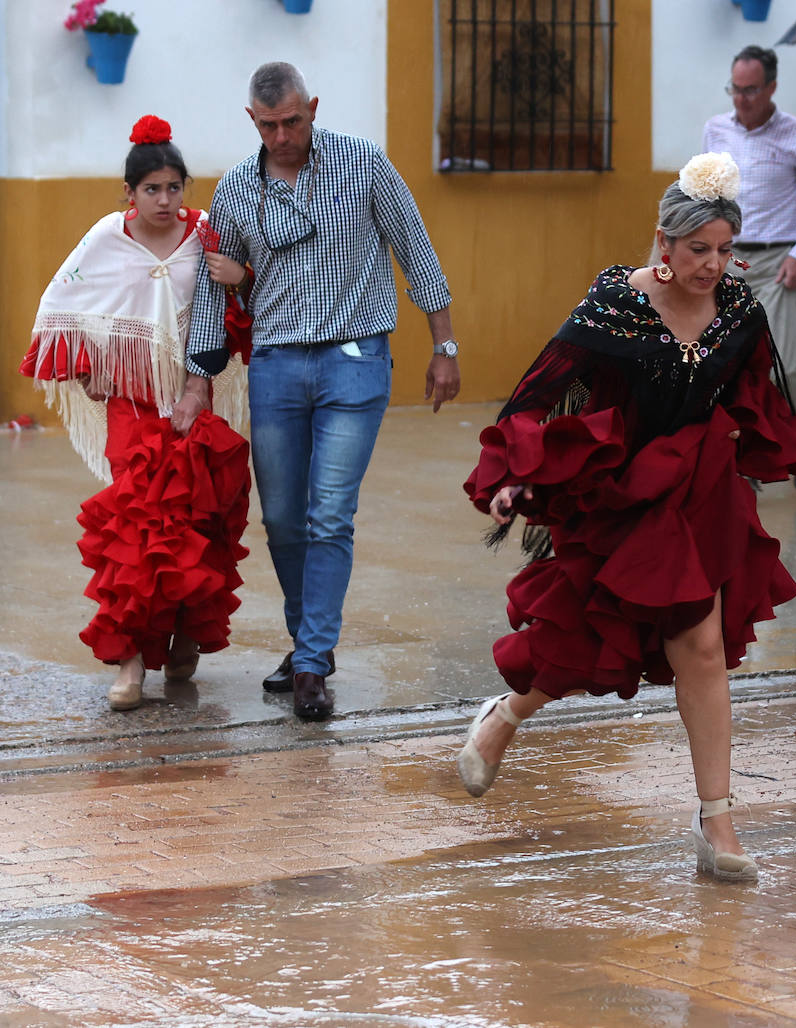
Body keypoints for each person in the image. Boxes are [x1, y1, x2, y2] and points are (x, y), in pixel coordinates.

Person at [456, 153, 796, 881]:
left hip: (701, 490)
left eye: (726, 251)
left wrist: (772, 448)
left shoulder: (739, 309)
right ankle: (503, 717)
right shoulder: (614, 305)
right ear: (664, 242)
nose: (714, 265)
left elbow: (759, 396)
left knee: (700, 645)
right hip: (620, 490)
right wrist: (511, 478)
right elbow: (537, 395)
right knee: (592, 640)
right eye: (700, 251)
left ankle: (717, 821)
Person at [178, 62, 461, 721]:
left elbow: (414, 247)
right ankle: (312, 642)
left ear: (313, 108)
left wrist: (443, 345)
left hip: (355, 360)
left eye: (293, 122)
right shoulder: (236, 191)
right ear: (253, 121)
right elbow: (212, 288)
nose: (283, 136)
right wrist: (199, 379)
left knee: (329, 513)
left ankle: (309, 665)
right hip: (276, 365)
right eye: (269, 125)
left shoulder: (361, 163)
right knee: (281, 519)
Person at [19, 116, 252, 711]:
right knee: (137, 526)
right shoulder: (105, 238)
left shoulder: (204, 234)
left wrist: (241, 276)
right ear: (129, 193)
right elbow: (62, 304)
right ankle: (129, 662)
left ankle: (181, 639)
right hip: (132, 404)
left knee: (195, 519)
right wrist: (87, 365)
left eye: (175, 187)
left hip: (192, 396)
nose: (165, 200)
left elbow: (235, 300)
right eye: (152, 189)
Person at [703, 45, 796, 488]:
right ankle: (741, 455)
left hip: (780, 260)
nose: (741, 99)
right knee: (727, 363)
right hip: (727, 258)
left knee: (785, 364)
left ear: (772, 87)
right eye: (735, 90)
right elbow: (708, 198)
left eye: (751, 90)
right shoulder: (715, 131)